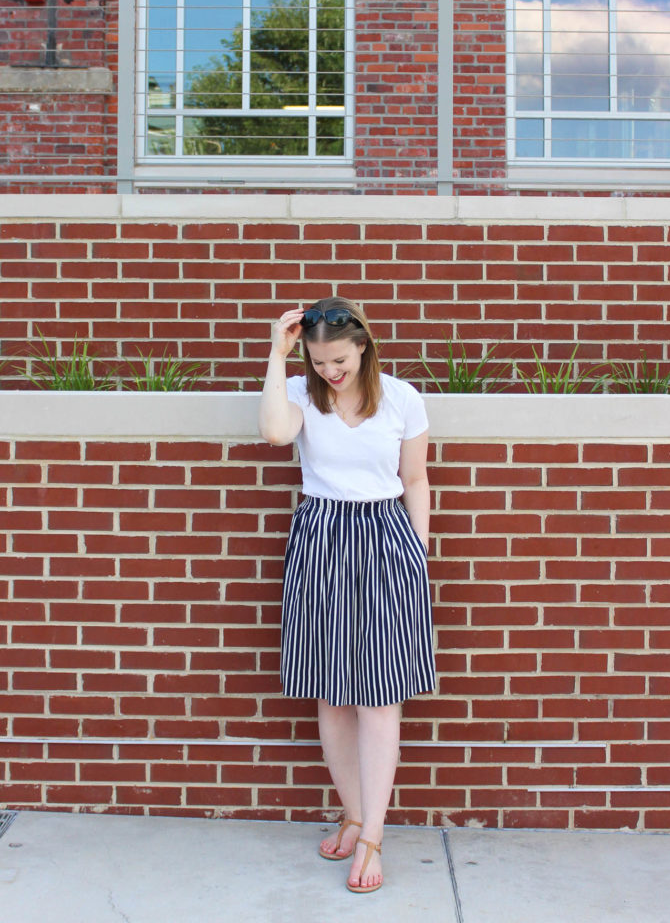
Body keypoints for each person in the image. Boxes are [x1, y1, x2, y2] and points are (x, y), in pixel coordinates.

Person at [258, 296, 435, 894]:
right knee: (331, 693)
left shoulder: (404, 399)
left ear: (362, 345)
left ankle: (372, 834)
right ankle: (354, 811)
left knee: (380, 695)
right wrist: (276, 356)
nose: (331, 370)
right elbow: (274, 433)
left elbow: (415, 479)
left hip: (388, 539)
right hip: (323, 539)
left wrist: (418, 554)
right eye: (319, 360)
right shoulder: (303, 395)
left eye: (339, 358)